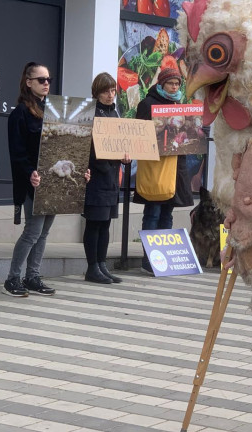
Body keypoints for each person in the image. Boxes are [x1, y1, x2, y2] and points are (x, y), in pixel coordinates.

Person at [4, 62, 90, 296]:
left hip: (53, 180)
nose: (46, 84)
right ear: (28, 82)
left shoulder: (51, 112)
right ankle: (12, 278)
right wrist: (30, 172)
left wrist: (81, 169)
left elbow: (64, 146)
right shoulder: (20, 113)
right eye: (41, 80)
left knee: (43, 233)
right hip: (34, 182)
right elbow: (17, 151)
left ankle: (32, 276)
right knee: (33, 231)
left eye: (48, 80)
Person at [134, 67, 193, 272]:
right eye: (171, 83)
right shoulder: (147, 103)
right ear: (161, 84)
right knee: (153, 211)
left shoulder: (180, 105)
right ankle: (148, 259)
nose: (175, 86)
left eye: (177, 84)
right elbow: (139, 134)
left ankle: (164, 259)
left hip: (176, 167)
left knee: (168, 212)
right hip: (156, 167)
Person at [83, 73, 130, 284]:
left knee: (106, 224)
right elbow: (88, 147)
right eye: (106, 91)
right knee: (94, 223)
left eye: (113, 91)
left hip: (112, 177)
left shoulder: (115, 113)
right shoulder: (91, 114)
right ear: (97, 92)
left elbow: (121, 144)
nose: (110, 95)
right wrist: (106, 162)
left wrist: (126, 157)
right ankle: (92, 267)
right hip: (96, 176)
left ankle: (102, 265)